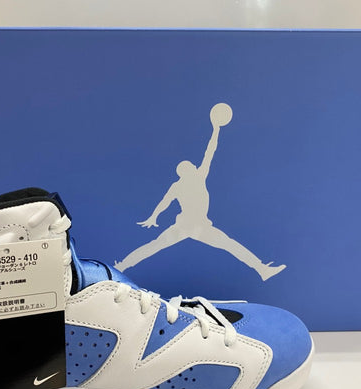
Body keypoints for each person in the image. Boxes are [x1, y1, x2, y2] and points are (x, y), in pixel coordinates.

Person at [114, 104, 285, 282]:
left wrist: (154, 216)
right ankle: (122, 265)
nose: (195, 166)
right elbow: (208, 153)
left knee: (156, 246)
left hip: (198, 226)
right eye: (191, 166)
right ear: (186, 170)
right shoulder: (193, 179)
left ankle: (262, 269)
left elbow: (209, 152)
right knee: (227, 245)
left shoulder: (187, 181)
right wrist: (216, 129)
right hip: (188, 225)